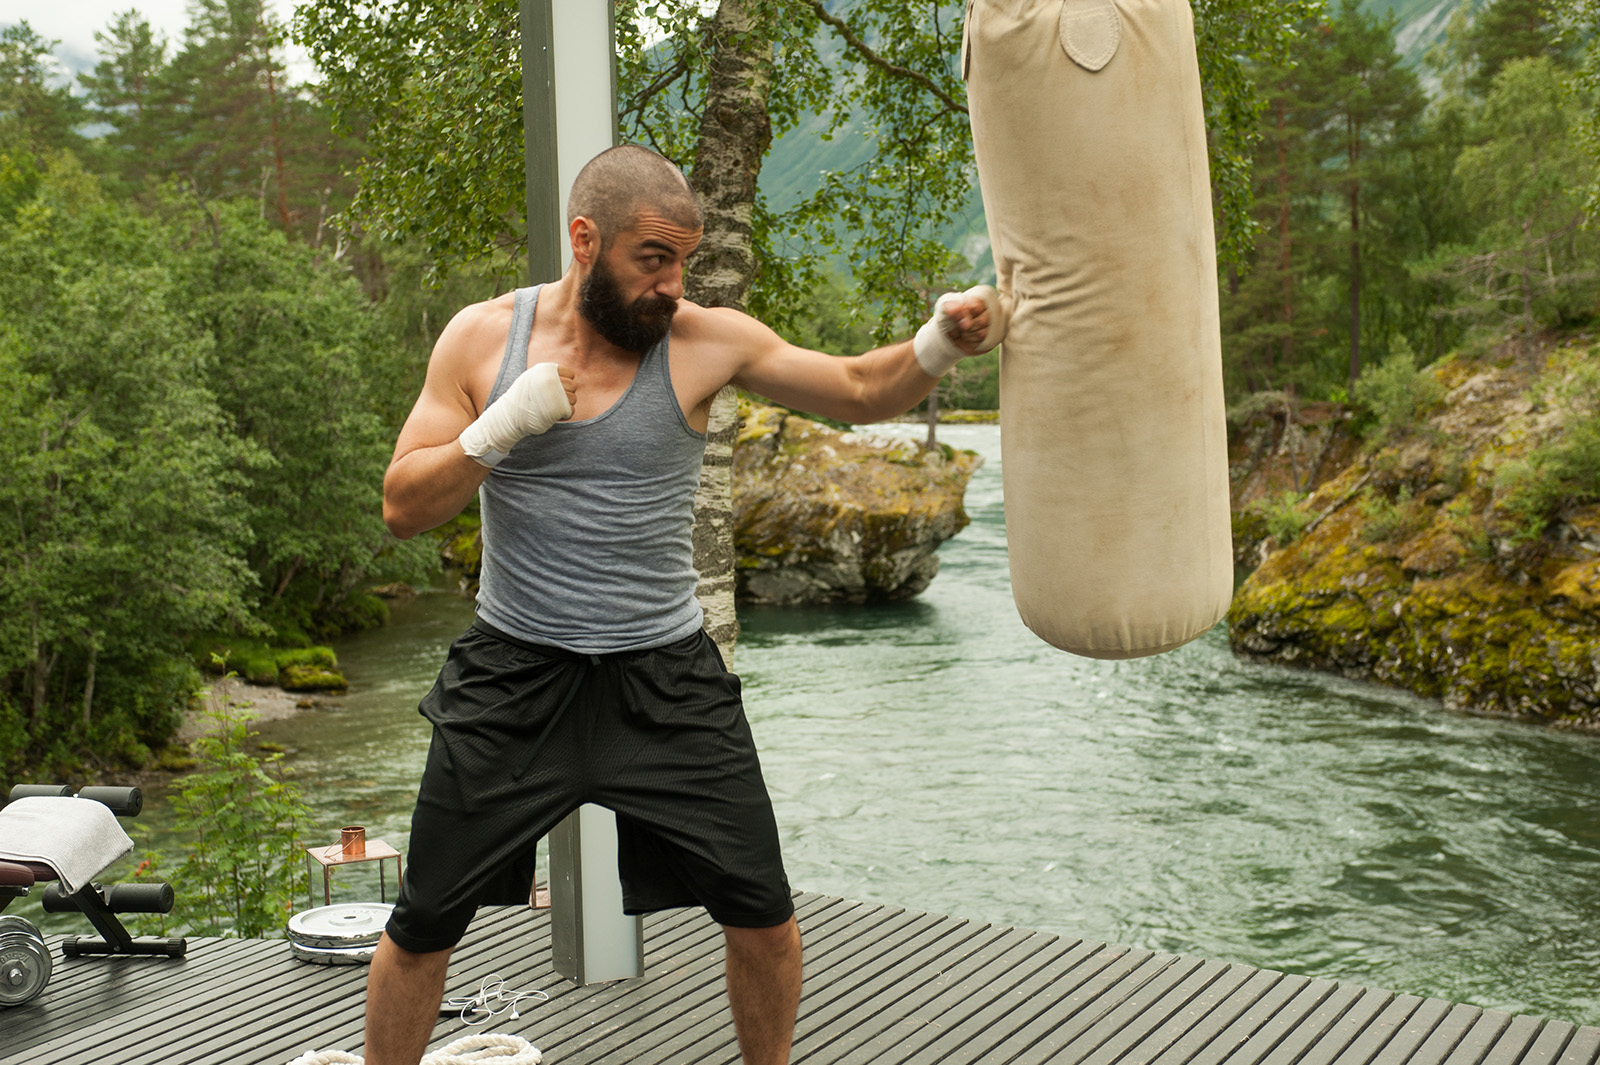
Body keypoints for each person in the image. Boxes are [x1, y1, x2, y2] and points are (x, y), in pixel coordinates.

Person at [372, 144, 1006, 1065]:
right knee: (424, 921)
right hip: (515, 674)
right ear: (585, 240)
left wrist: (941, 340)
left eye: (683, 261)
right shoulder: (481, 339)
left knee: (765, 919)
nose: (672, 285)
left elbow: (863, 389)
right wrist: (502, 425)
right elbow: (402, 507)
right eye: (653, 259)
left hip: (666, 679)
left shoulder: (705, 340)